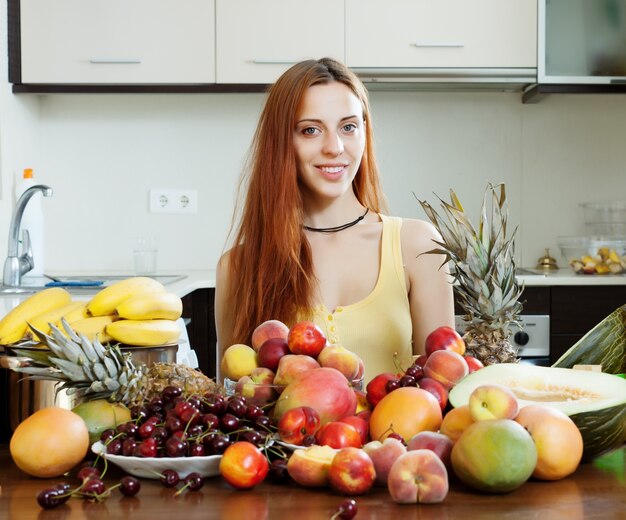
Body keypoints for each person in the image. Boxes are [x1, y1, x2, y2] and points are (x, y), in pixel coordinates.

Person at [215, 57, 454, 384]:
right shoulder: (239, 266)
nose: (335, 147)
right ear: (282, 142)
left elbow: (445, 386)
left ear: (364, 133)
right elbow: (234, 398)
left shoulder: (418, 246)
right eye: (311, 130)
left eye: (348, 127)